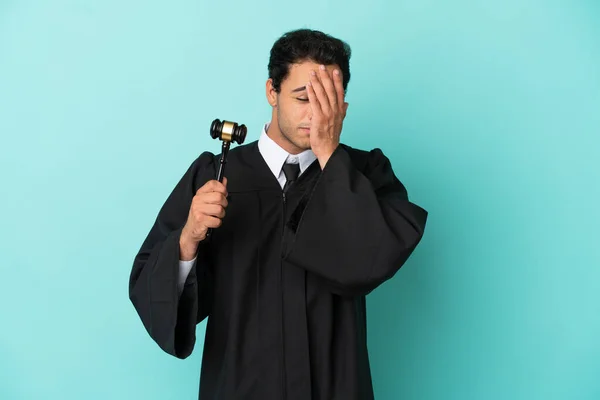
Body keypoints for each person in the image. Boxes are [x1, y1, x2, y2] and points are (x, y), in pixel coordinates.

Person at [129, 28, 428, 400]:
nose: (315, 116)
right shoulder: (217, 174)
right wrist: (187, 239)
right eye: (304, 98)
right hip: (241, 386)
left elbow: (373, 258)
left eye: (328, 102)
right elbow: (149, 287)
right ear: (272, 91)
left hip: (334, 386)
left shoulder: (365, 173)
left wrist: (330, 156)